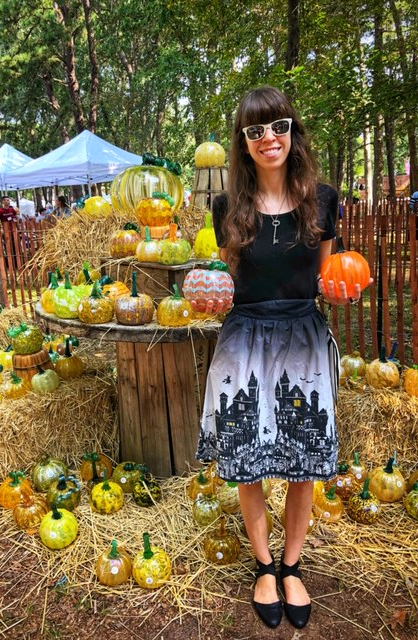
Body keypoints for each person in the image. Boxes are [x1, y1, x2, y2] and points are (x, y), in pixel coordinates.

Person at [196, 86, 368, 630]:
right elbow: (224, 282)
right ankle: (263, 566)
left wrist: (340, 291)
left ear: (292, 132)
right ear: (243, 144)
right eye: (255, 131)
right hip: (244, 339)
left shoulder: (324, 198)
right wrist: (204, 293)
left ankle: (293, 566)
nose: (269, 138)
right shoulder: (226, 208)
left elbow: (325, 278)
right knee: (248, 458)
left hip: (302, 338)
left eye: (278, 126)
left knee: (304, 457)